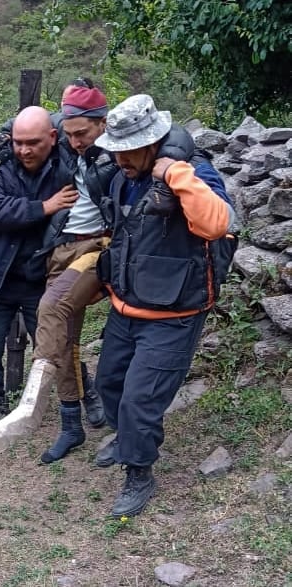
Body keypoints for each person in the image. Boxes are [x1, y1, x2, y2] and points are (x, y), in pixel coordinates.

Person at [91, 94, 236, 518]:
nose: (118, 159)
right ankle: (126, 438)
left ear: (152, 142)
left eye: (126, 150)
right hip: (127, 306)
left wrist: (177, 174)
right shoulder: (123, 174)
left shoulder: (194, 172)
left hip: (175, 314)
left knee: (139, 400)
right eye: (114, 150)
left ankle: (139, 471)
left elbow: (218, 223)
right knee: (110, 385)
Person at [0, 82, 118, 463]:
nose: (74, 142)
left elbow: (172, 144)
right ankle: (71, 425)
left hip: (94, 246)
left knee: (51, 309)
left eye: (82, 134)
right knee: (66, 339)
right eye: (69, 135)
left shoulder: (119, 151)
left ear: (104, 124)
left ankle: (28, 410)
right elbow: (29, 127)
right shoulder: (67, 141)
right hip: (58, 250)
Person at [0, 105, 77, 464]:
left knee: (56, 347)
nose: (24, 150)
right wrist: (44, 207)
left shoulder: (67, 165)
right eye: (18, 142)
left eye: (33, 143)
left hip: (40, 278)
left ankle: (76, 406)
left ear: (52, 138)